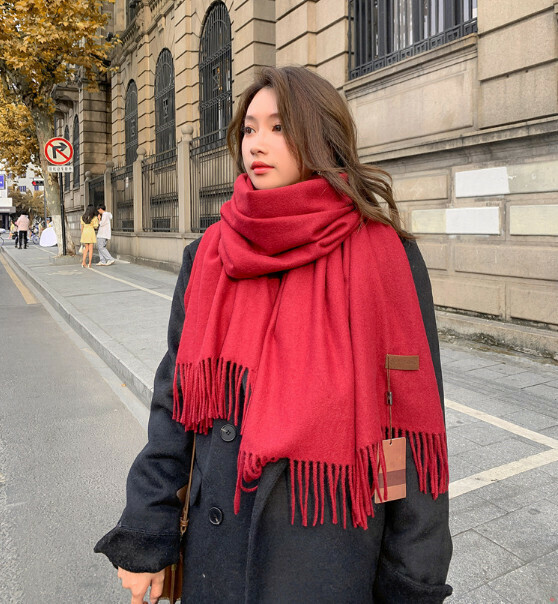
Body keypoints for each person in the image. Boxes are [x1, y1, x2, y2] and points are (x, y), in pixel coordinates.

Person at [95, 66, 453, 603]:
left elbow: (401, 425)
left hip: (330, 555)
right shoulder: (209, 255)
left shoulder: (386, 258)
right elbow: (175, 403)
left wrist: (410, 578)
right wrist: (148, 527)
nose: (256, 144)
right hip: (215, 558)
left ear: (321, 137)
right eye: (249, 128)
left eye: (279, 127)